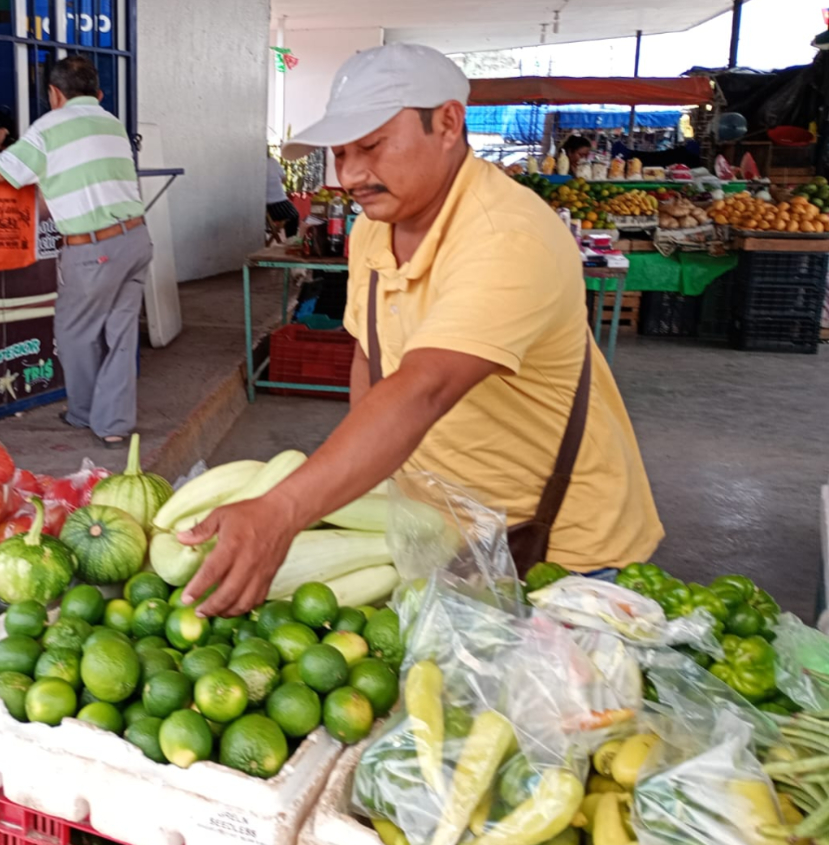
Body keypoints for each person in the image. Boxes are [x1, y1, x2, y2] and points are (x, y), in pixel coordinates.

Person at [178, 44, 663, 616]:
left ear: (449, 123)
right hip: (444, 537)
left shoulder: (505, 234)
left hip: (564, 550)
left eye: (373, 145)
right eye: (340, 152)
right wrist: (362, 491)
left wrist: (284, 510)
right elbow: (371, 362)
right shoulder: (372, 232)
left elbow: (425, 386)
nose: (352, 174)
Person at [0, 55, 152, 447]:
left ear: (54, 93)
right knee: (121, 335)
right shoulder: (112, 123)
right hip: (136, 240)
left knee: (74, 331)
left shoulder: (49, 127)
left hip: (95, 250)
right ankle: (112, 425)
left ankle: (83, 413)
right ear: (98, 93)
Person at [266, 153, 300, 238]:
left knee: (291, 215)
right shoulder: (272, 162)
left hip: (263, 207)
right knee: (294, 215)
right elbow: (284, 179)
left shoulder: (253, 165)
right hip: (277, 203)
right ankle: (291, 240)